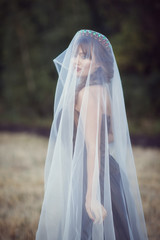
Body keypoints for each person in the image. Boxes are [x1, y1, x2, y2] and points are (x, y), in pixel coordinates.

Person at [36, 30, 148, 240]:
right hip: (107, 173)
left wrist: (91, 196)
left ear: (99, 64)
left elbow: (93, 148)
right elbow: (111, 134)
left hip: (93, 178)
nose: (76, 60)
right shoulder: (102, 91)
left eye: (85, 56)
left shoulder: (87, 94)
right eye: (76, 54)